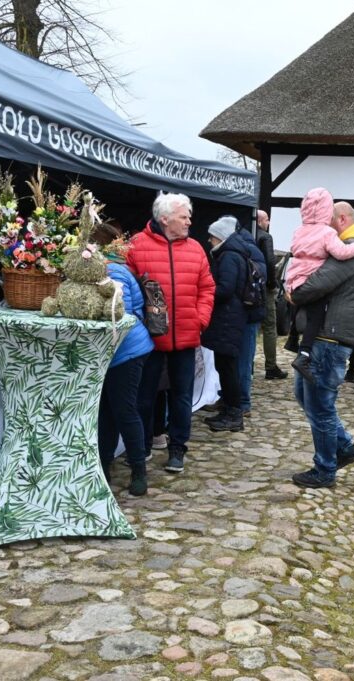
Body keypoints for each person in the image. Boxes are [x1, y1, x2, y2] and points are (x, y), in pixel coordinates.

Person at [127, 193, 215, 475]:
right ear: (165, 219)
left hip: (186, 337)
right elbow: (125, 288)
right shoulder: (136, 246)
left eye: (189, 216)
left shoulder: (196, 249)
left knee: (182, 396)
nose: (189, 221)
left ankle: (177, 448)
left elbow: (207, 288)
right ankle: (142, 447)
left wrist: (200, 319)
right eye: (184, 216)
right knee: (144, 396)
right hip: (149, 340)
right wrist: (138, 324)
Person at [288, 201, 354, 488]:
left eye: (329, 219)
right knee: (305, 397)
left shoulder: (351, 249)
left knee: (320, 406)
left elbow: (313, 287)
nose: (323, 224)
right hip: (325, 337)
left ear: (343, 219)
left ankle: (325, 469)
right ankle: (345, 448)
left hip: (329, 339)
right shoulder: (347, 246)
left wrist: (294, 292)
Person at [285, 188, 354, 384]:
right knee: (316, 314)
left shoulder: (299, 231)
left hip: (294, 277)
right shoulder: (328, 234)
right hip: (310, 282)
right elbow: (341, 253)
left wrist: (293, 293)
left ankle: (293, 340)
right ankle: (303, 354)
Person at [95, 224, 154, 496]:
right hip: (110, 351)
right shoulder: (108, 269)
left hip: (127, 350)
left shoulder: (114, 272)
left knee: (124, 410)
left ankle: (139, 469)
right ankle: (104, 467)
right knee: (106, 412)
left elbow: (121, 316)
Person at [201, 217, 251, 433]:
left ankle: (234, 414)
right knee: (225, 367)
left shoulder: (229, 256)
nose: (209, 241)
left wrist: (204, 290)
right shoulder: (234, 253)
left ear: (220, 237)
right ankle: (230, 410)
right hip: (230, 318)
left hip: (228, 318)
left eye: (212, 237)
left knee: (227, 368)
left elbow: (226, 289)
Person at [232, 216, 268, 418]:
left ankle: (243, 401)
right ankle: (237, 399)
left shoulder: (243, 250)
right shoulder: (251, 247)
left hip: (247, 313)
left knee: (243, 360)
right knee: (242, 359)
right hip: (251, 312)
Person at [256, 210, 288, 380]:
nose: (268, 223)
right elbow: (270, 261)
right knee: (269, 326)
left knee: (252, 325)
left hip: (250, 286)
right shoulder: (266, 237)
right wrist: (272, 283)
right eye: (267, 220)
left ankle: (248, 365)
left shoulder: (248, 234)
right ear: (260, 221)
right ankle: (271, 366)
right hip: (264, 286)